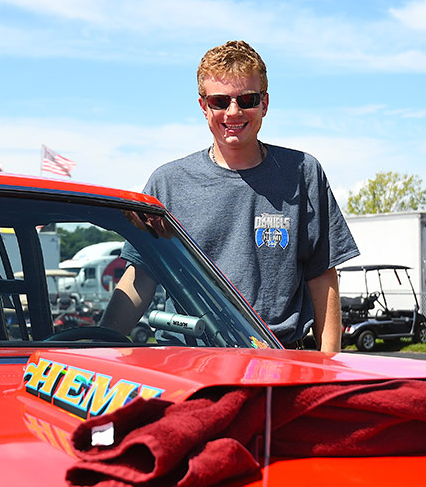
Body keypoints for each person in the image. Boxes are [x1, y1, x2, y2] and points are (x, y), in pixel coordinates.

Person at [102, 40, 358, 351]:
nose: (233, 112)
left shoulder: (303, 173)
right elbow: (141, 277)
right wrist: (98, 342)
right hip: (189, 364)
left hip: (278, 361)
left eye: (246, 99)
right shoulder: (167, 183)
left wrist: (329, 364)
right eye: (220, 102)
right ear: (203, 106)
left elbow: (323, 278)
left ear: (264, 103)